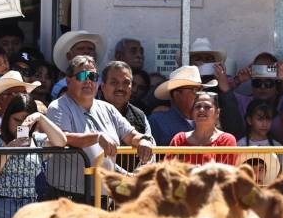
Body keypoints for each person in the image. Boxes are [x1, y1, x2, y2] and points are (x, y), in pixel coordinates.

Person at [44, 55, 154, 200]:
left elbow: (131, 135)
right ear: (68, 80)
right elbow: (63, 138)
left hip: (103, 197)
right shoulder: (58, 107)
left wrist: (144, 140)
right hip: (68, 197)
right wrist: (97, 137)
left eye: (93, 76)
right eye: (83, 75)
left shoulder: (107, 108)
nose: (88, 81)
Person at [149, 66, 216, 145]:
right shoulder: (157, 121)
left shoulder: (208, 120)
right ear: (177, 94)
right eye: (194, 90)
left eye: (201, 90)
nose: (200, 95)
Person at [167, 92, 237, 165]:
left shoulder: (226, 140)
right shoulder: (179, 139)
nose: (201, 110)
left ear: (217, 113)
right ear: (192, 112)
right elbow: (169, 171)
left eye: (207, 107)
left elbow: (225, 173)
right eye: (197, 106)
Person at [100, 61, 153, 141]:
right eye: (114, 82)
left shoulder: (140, 116)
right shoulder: (91, 112)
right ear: (103, 87)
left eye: (126, 83)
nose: (120, 88)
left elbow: (150, 147)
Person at [0, 70, 40, 137]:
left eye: (25, 93)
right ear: (2, 99)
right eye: (18, 94)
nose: (23, 98)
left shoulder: (33, 123)